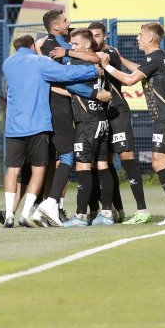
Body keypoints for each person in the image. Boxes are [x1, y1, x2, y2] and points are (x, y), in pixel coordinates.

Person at [99, 23, 165, 225]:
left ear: (150, 38)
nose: (137, 38)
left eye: (140, 35)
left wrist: (107, 66)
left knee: (158, 164)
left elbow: (131, 80)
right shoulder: (156, 57)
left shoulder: (155, 57)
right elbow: (141, 70)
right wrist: (121, 60)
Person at [1, 34, 98, 228]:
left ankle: (9, 214)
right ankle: (28, 213)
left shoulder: (7, 64)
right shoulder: (39, 62)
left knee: (13, 170)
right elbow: (67, 74)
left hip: (13, 127)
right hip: (37, 125)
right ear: (32, 45)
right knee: (40, 169)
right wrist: (92, 71)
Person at [37, 9, 106, 224]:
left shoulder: (65, 46)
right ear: (55, 26)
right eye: (66, 20)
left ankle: (43, 209)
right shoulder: (50, 45)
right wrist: (94, 88)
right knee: (69, 158)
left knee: (74, 161)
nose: (70, 22)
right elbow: (64, 80)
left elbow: (93, 57)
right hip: (61, 110)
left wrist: (70, 53)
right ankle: (48, 207)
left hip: (76, 113)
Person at [87, 21, 152, 224]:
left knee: (127, 160)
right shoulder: (90, 55)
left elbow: (99, 61)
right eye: (91, 36)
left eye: (97, 36)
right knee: (102, 164)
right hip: (100, 115)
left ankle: (142, 209)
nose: (94, 40)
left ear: (104, 37)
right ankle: (117, 210)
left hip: (118, 113)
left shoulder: (111, 54)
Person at [57, 29, 115, 228]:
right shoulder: (96, 60)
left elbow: (66, 82)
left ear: (87, 45)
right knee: (101, 165)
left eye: (74, 44)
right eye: (70, 44)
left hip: (88, 123)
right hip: (100, 120)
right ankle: (107, 212)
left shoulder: (81, 63)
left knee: (83, 166)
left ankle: (81, 216)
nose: (70, 47)